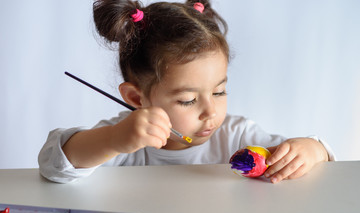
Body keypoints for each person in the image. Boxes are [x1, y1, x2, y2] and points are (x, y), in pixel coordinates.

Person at [38, 0, 335, 184]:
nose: (211, 111)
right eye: (188, 100)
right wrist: (115, 140)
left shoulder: (235, 135)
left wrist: (312, 149)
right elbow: (54, 166)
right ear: (136, 99)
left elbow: (307, 161)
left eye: (219, 92)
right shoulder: (125, 137)